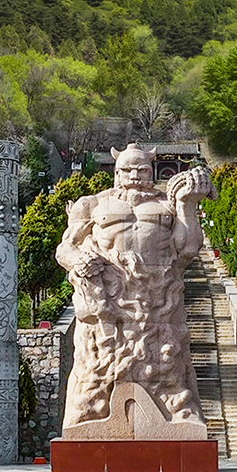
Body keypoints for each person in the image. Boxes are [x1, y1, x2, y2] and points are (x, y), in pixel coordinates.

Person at [55, 143, 213, 437]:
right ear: (115, 171)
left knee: (167, 366)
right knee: (95, 371)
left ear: (151, 170)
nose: (134, 176)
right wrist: (80, 259)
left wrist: (187, 205)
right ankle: (89, 417)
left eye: (141, 170)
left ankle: (175, 415)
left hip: (158, 302)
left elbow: (188, 248)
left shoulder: (167, 204)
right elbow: (65, 248)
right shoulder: (91, 204)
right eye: (126, 170)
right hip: (108, 303)